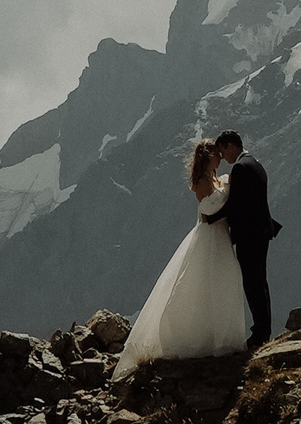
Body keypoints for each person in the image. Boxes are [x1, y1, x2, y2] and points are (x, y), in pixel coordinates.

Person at [112, 137, 253, 378]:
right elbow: (209, 209)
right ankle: (205, 338)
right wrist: (228, 191)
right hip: (210, 238)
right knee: (204, 283)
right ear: (207, 156)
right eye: (216, 154)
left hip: (220, 237)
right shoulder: (202, 180)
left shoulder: (215, 178)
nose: (220, 157)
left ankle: (223, 337)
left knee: (223, 282)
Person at [205, 128, 279, 348]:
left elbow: (235, 203)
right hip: (261, 231)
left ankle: (260, 333)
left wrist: (211, 218)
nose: (223, 157)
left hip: (249, 234)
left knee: (252, 283)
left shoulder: (240, 167)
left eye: (222, 151)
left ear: (230, 146)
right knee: (260, 281)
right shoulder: (254, 162)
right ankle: (263, 329)